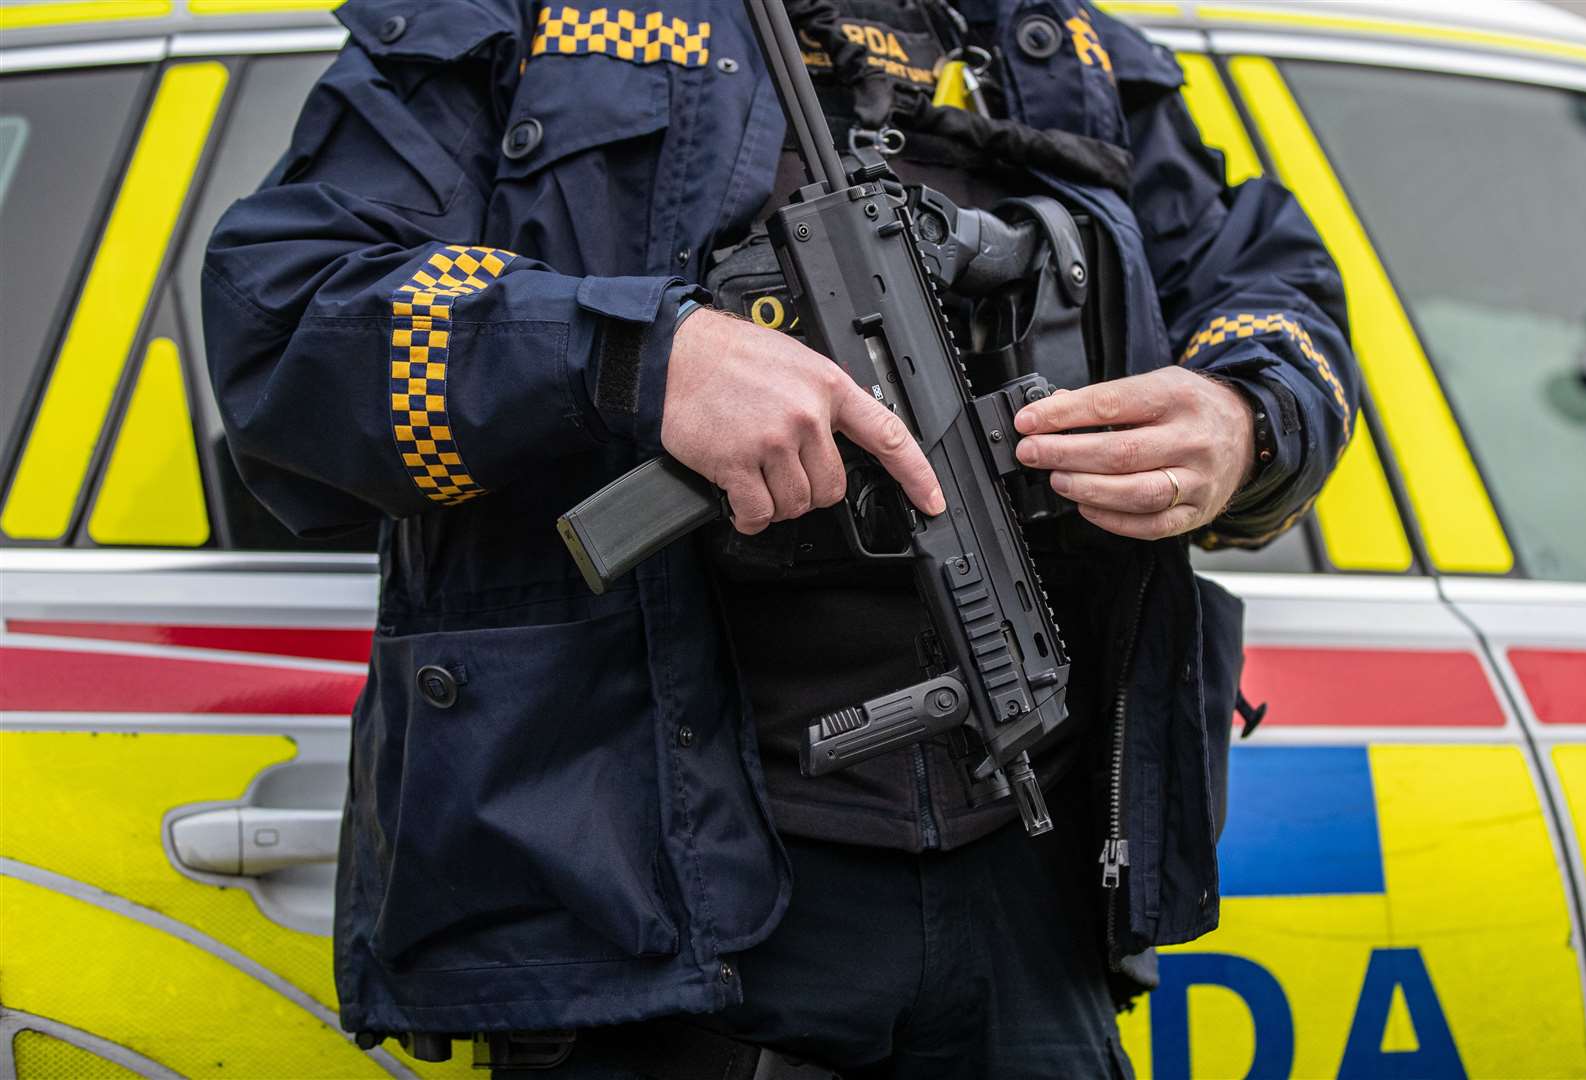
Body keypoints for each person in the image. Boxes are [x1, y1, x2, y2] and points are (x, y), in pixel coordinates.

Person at [202, 0, 1358, 1076]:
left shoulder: (1061, 47)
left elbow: (1271, 294)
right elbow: (286, 314)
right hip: (658, 908)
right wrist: (638, 360)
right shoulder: (527, 17)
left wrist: (1244, 418)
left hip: (1033, 888)